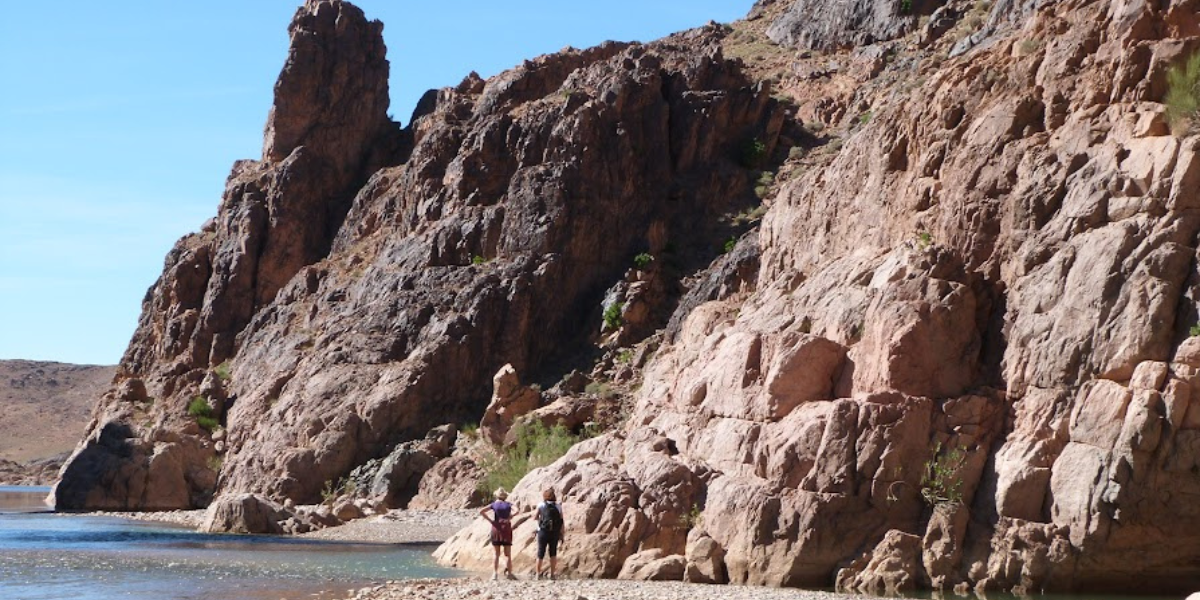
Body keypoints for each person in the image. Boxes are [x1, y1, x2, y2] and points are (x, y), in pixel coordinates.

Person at [479, 487, 514, 580]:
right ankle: (510, 574)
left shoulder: (494, 504)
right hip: (506, 528)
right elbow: (517, 510)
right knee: (507, 554)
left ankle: (495, 574)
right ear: (505, 496)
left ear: (497, 496)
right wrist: (510, 517)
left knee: (496, 553)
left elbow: (481, 511)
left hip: (496, 528)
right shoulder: (509, 504)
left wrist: (491, 520)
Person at [534, 487, 565, 580]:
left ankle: (537, 574)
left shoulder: (541, 505)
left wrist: (540, 519)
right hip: (554, 532)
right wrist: (562, 534)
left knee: (540, 553)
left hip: (543, 531)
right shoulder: (558, 506)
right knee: (553, 553)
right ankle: (552, 574)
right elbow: (562, 521)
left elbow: (535, 517)